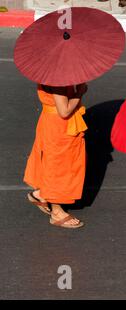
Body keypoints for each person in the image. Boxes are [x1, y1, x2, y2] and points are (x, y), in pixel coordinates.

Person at [25, 84, 88, 228]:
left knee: (51, 161)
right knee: (59, 166)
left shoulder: (50, 73)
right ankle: (57, 212)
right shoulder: (57, 81)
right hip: (59, 127)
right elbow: (64, 111)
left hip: (50, 122)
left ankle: (42, 193)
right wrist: (80, 93)